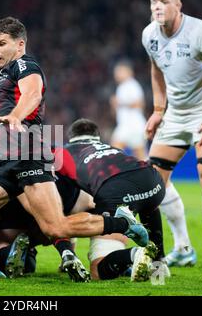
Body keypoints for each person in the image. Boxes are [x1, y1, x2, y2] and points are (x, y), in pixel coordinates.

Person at [0, 17, 149, 292]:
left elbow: (32, 95)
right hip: (5, 159)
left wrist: (16, 117)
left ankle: (120, 222)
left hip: (29, 154)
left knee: (55, 228)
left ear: (19, 44)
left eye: (1, 44)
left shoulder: (26, 65)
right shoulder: (4, 73)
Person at [143, 0, 202, 272]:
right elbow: (156, 69)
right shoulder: (149, 35)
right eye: (153, 1)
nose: (157, 6)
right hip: (175, 114)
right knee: (154, 181)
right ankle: (183, 249)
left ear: (178, 5)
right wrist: (159, 109)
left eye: (164, 1)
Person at [54, 118, 166, 281]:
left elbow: (58, 197)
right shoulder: (111, 148)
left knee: (97, 271)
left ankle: (134, 254)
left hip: (116, 190)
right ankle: (159, 262)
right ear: (97, 138)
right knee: (148, 205)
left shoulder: (63, 152)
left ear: (70, 138)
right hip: (154, 181)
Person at [110, 59, 147, 160]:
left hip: (133, 125)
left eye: (119, 71)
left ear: (129, 72)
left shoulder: (132, 85)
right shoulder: (122, 87)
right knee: (140, 158)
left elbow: (140, 104)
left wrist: (120, 102)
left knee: (113, 152)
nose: (116, 74)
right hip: (127, 125)